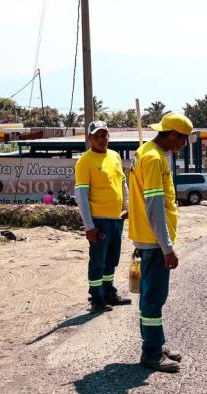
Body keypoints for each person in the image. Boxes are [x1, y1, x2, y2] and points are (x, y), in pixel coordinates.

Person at [128, 112, 194, 373]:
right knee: (154, 298)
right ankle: (152, 353)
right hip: (155, 242)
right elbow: (154, 206)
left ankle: (157, 342)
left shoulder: (144, 151)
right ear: (174, 134)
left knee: (149, 296)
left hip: (147, 237)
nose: (183, 146)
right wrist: (168, 247)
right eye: (184, 140)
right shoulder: (154, 158)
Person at [74, 120, 132, 313]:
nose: (101, 139)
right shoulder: (85, 161)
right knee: (98, 261)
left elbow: (123, 184)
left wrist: (126, 206)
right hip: (99, 221)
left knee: (111, 260)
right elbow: (81, 195)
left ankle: (109, 293)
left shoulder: (115, 156)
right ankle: (96, 299)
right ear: (90, 138)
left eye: (104, 135)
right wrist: (89, 226)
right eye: (97, 136)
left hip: (117, 219)